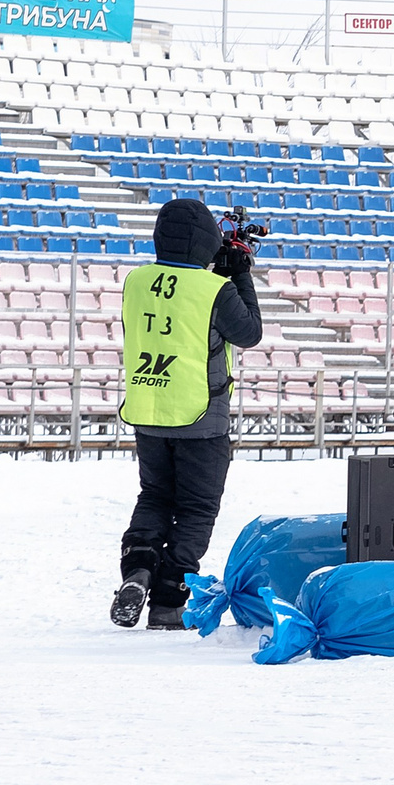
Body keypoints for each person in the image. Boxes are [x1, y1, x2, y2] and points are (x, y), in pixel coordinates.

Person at [110, 198, 266, 630]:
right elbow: (248, 331)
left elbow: (179, 297)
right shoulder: (214, 289)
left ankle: (138, 569)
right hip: (201, 415)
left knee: (154, 497)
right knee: (196, 510)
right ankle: (167, 602)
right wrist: (238, 273)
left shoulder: (136, 281)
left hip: (148, 409)